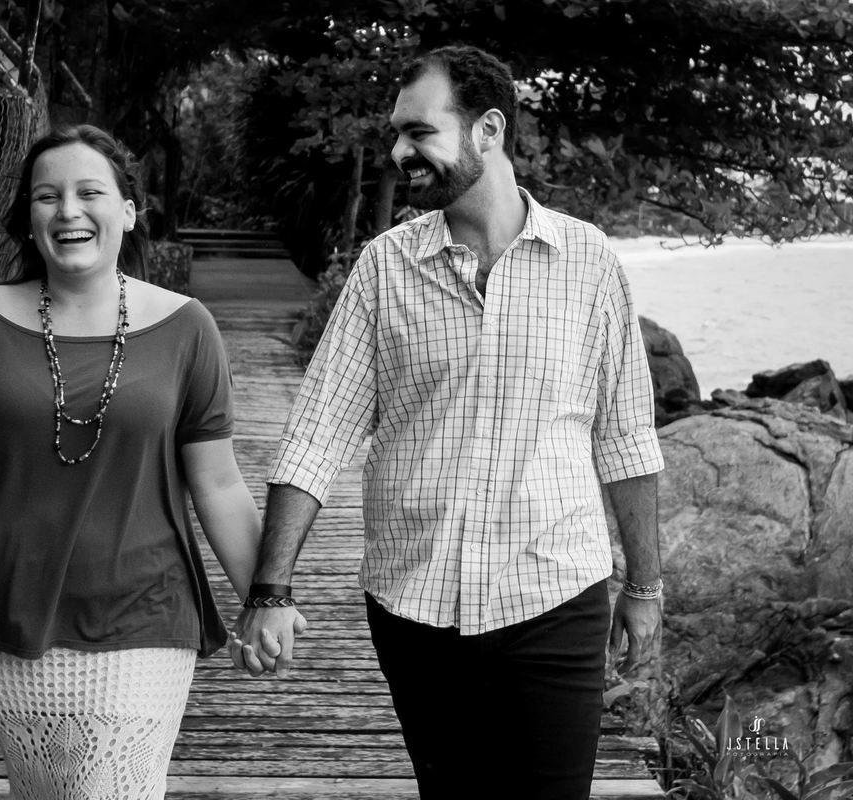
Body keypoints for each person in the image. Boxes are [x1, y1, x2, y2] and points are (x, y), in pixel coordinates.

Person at [228, 45, 664, 800]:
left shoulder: (590, 263)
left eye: (420, 132)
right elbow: (316, 436)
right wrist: (270, 590)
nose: (400, 152)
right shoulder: (384, 268)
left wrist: (645, 586)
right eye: (397, 134)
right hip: (415, 604)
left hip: (555, 595)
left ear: (488, 130)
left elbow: (625, 438)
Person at [0, 124, 266, 800]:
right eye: (46, 196)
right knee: (46, 788)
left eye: (90, 192)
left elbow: (219, 482)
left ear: (128, 211)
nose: (67, 210)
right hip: (11, 613)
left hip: (146, 607)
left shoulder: (187, 326)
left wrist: (266, 596)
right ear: (28, 219)